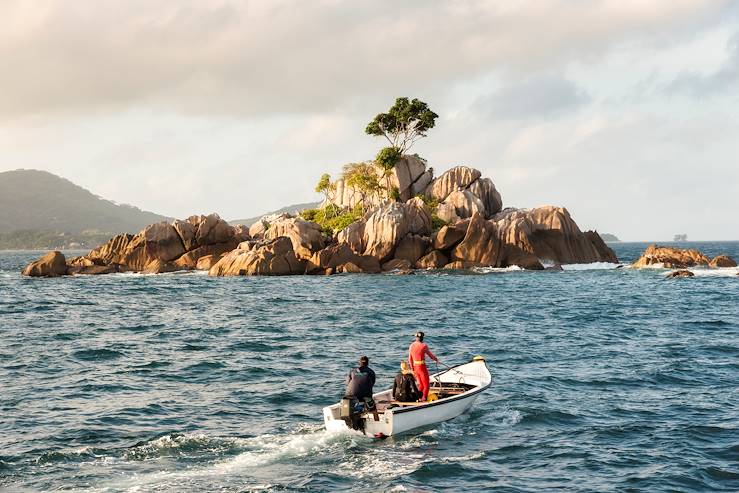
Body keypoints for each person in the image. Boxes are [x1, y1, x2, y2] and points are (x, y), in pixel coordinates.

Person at [408, 331, 439, 401]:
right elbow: (431, 356)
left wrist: (412, 369)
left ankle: (418, 397)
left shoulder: (411, 345)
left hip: (415, 367)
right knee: (426, 385)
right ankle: (424, 398)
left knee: (421, 385)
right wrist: (436, 359)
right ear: (422, 338)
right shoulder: (424, 346)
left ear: (416, 338)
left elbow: (410, 359)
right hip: (421, 367)